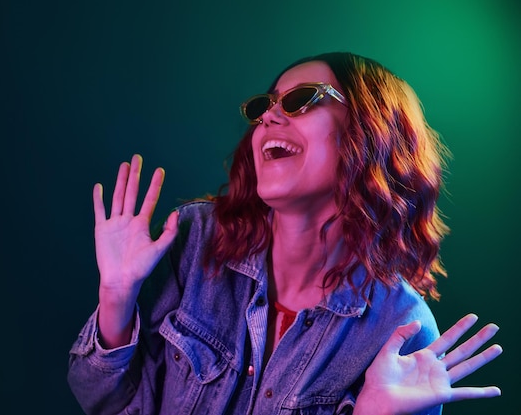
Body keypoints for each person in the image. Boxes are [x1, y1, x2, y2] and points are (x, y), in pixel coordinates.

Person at [67, 52, 502, 415]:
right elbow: (105, 403)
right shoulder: (195, 240)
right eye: (265, 106)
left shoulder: (401, 330)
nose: (269, 116)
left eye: (300, 100)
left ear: (370, 131)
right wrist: (116, 297)